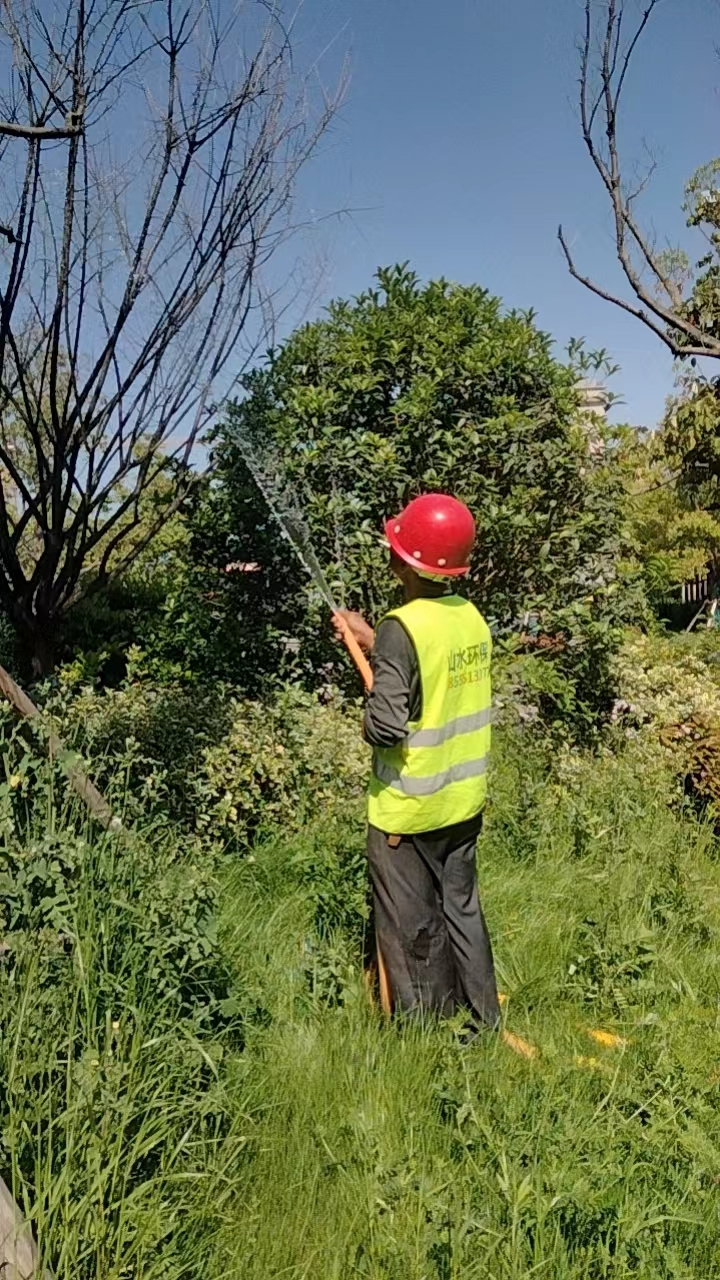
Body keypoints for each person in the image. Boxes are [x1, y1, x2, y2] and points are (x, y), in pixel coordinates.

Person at [333, 493, 500, 1033]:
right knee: (462, 912)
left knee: (412, 926)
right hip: (462, 803)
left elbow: (385, 728)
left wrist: (368, 714)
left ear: (402, 560)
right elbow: (431, 674)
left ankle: (425, 1036)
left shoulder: (400, 627)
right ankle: (482, 1021)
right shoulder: (470, 618)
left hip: (408, 812)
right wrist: (372, 643)